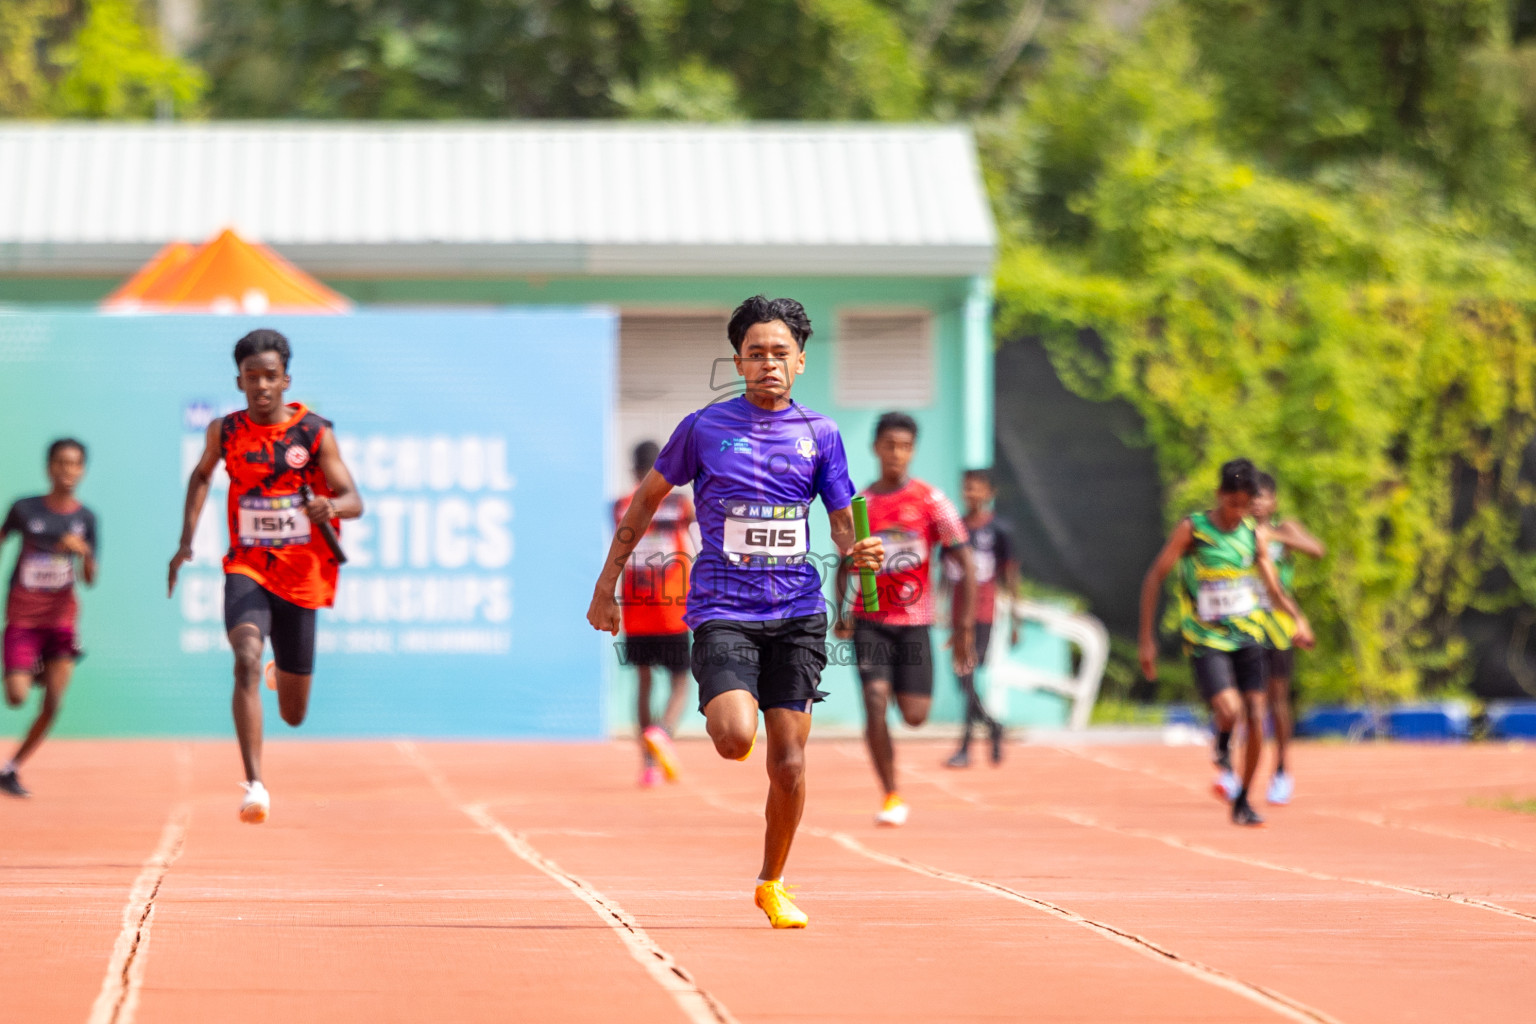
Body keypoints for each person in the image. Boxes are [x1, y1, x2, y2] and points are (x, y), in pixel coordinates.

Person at [587, 296, 882, 929]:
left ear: (800, 362)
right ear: (738, 361)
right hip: (723, 609)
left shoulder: (820, 434)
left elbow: (840, 522)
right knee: (732, 740)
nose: (769, 363)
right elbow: (642, 506)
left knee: (791, 762)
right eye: (756, 353)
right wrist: (605, 586)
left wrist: (858, 551)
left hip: (798, 612)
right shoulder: (703, 428)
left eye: (781, 353)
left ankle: (772, 882)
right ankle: (735, 710)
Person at [168, 329, 363, 824]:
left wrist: (329, 505)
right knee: (245, 659)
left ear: (285, 379)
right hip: (247, 566)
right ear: (239, 380)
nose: (261, 386)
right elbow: (200, 476)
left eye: (270, 376)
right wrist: (186, 540)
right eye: (251, 377)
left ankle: (283, 670)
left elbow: (353, 500)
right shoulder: (226, 431)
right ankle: (255, 784)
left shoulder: (313, 433)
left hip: (302, 576)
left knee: (293, 715)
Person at [1137, 458, 1312, 827]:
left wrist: (1298, 618)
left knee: (1257, 715)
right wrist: (1146, 640)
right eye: (1231, 505)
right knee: (1230, 710)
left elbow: (1272, 585)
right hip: (1208, 638)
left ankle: (1244, 798)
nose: (1236, 514)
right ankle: (1222, 740)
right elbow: (1154, 578)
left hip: (1249, 634)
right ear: (1219, 496)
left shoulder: (1252, 534)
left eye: (1243, 506)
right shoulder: (1194, 529)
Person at [834, 412, 974, 827]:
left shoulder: (931, 500)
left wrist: (963, 625)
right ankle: (891, 793)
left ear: (913, 451)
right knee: (875, 703)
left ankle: (898, 686)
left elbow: (963, 559)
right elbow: (843, 564)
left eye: (905, 446)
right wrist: (841, 611)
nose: (896, 453)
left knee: (914, 716)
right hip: (870, 619)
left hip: (916, 622)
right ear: (876, 448)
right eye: (889, 445)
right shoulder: (860, 504)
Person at [0, 439, 98, 798]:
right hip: (23, 619)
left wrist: (83, 552)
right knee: (16, 696)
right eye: (60, 463)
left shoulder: (85, 519)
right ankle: (33, 664)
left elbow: (90, 577)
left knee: (54, 703)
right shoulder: (24, 509)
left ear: (82, 470)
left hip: (61, 623)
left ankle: (11, 768)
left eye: (74, 464)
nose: (67, 470)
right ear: (49, 467)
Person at [613, 440, 696, 787]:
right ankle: (663, 731)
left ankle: (648, 766)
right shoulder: (679, 504)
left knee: (644, 682)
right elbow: (697, 543)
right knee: (680, 680)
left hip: (637, 611)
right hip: (673, 609)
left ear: (633, 469)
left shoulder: (620, 505)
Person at [1252, 471, 1325, 806]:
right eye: (1249, 496)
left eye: (1262, 496)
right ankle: (1233, 765)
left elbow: (1317, 550)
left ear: (1274, 501)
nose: (1255, 502)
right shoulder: (1233, 533)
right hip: (1242, 624)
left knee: (1276, 698)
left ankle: (1281, 769)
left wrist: (1276, 539)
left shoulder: (1285, 528)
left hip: (1278, 625)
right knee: (1242, 699)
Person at [941, 468, 1019, 768]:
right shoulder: (953, 528)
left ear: (990, 494)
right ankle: (993, 726)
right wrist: (941, 605)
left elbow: (1010, 575)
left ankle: (964, 747)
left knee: (969, 673)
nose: (971, 493)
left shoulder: (999, 529)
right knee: (963, 680)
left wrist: (1015, 619)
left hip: (984, 612)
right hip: (958, 613)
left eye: (977, 488)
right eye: (967, 488)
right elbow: (945, 570)